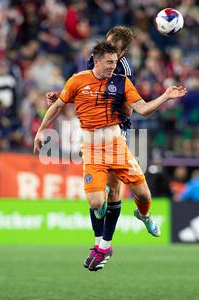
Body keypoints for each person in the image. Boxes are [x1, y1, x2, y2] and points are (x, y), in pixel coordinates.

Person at [34, 42, 187, 271]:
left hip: (116, 146)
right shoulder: (77, 80)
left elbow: (143, 109)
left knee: (144, 196)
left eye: (115, 63)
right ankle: (104, 245)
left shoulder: (121, 82)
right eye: (109, 63)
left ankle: (143, 216)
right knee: (97, 202)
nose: (113, 67)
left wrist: (165, 96)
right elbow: (57, 106)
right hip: (92, 149)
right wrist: (40, 130)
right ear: (96, 61)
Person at [45, 26, 135, 269]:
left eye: (115, 49)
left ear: (123, 52)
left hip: (117, 128)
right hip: (92, 130)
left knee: (113, 189)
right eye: (107, 43)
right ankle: (100, 240)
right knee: (96, 197)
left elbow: (126, 104)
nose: (108, 51)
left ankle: (104, 245)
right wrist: (65, 97)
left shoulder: (123, 70)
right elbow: (87, 90)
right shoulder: (94, 58)